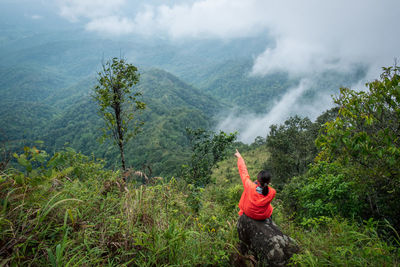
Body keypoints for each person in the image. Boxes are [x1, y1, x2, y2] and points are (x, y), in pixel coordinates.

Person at [234, 149, 276, 220]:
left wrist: (240, 158)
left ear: (258, 180)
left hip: (249, 212)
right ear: (269, 182)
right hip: (264, 215)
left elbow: (244, 172)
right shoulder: (272, 192)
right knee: (270, 208)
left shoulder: (250, 186)